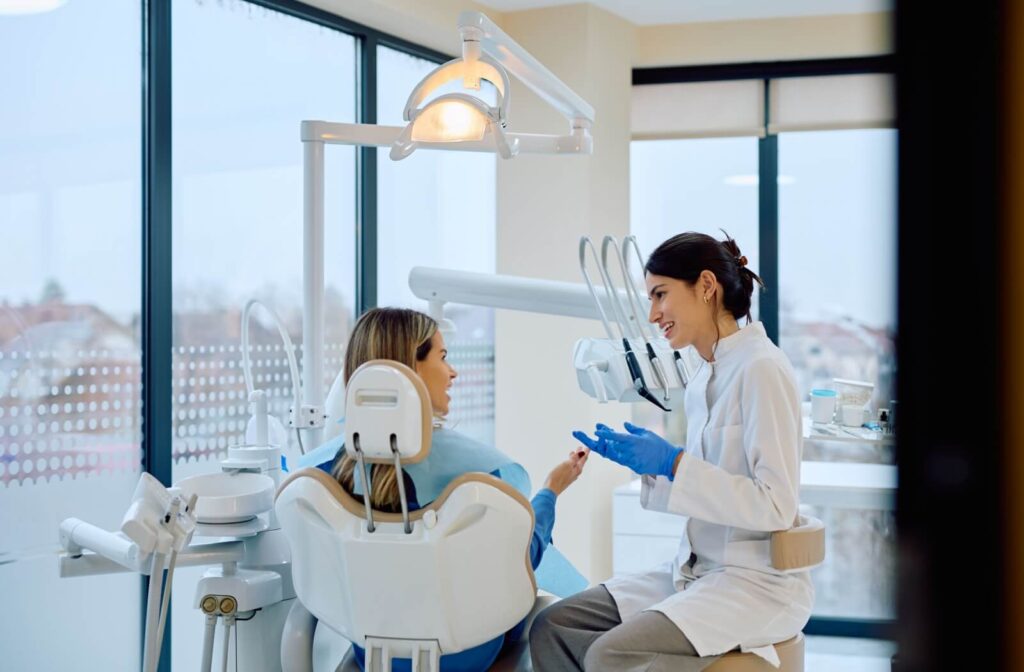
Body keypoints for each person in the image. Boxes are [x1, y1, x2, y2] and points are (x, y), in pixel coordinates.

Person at [531, 232, 812, 672]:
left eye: (660, 294)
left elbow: (776, 506)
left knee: (610, 654)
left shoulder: (762, 368)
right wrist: (654, 467)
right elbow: (706, 483)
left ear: (705, 285)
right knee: (554, 626)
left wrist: (674, 463)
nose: (652, 313)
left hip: (753, 582)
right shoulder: (704, 375)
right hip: (697, 569)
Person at [322, 307, 587, 672]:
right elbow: (522, 557)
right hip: (465, 654)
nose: (453, 372)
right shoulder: (481, 473)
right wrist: (550, 492)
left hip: (370, 654)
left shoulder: (321, 476)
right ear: (409, 369)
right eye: (443, 357)